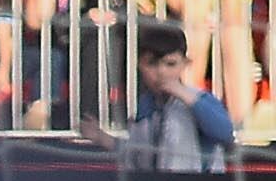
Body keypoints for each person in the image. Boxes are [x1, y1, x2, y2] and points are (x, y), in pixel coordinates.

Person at [99, 17, 232, 171]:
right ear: (139, 64)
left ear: (185, 63)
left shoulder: (199, 99)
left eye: (171, 64)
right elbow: (138, 152)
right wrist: (103, 139)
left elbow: (224, 133)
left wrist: (184, 95)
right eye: (152, 64)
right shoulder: (145, 105)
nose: (161, 72)